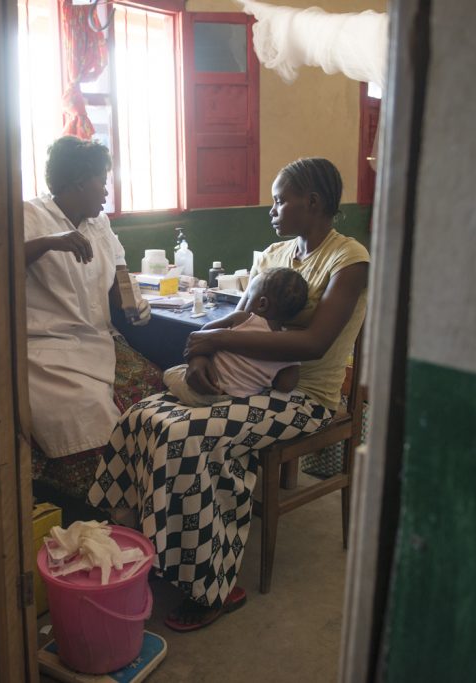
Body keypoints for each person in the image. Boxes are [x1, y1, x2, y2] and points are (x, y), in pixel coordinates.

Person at [87, 157, 368, 631]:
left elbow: (314, 343)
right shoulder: (275, 255)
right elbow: (229, 321)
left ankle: (213, 584)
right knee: (142, 414)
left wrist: (213, 343)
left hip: (302, 398)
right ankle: (136, 537)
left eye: (281, 199)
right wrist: (200, 358)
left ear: (314, 202)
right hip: (242, 381)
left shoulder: (350, 260)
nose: (273, 209)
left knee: (189, 437)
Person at [25, 136, 159, 498]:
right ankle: (102, 502)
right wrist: (51, 242)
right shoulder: (31, 216)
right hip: (48, 347)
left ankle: (148, 493)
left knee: (153, 391)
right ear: (80, 181)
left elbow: (120, 278)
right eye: (102, 180)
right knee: (89, 412)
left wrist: (134, 303)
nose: (106, 190)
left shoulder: (99, 225)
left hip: (99, 339)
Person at [162, 267, 309, 406]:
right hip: (234, 400)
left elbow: (203, 334)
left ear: (262, 304)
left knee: (170, 373)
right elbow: (286, 385)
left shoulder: (243, 318)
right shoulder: (288, 348)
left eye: (250, 296)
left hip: (198, 392)